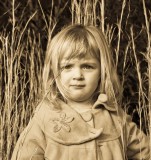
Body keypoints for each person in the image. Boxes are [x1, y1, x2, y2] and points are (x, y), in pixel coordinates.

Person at [11, 24, 150, 160]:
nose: (77, 75)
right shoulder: (44, 117)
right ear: (54, 73)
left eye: (87, 67)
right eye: (67, 66)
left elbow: (146, 152)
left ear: (102, 72)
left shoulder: (115, 116)